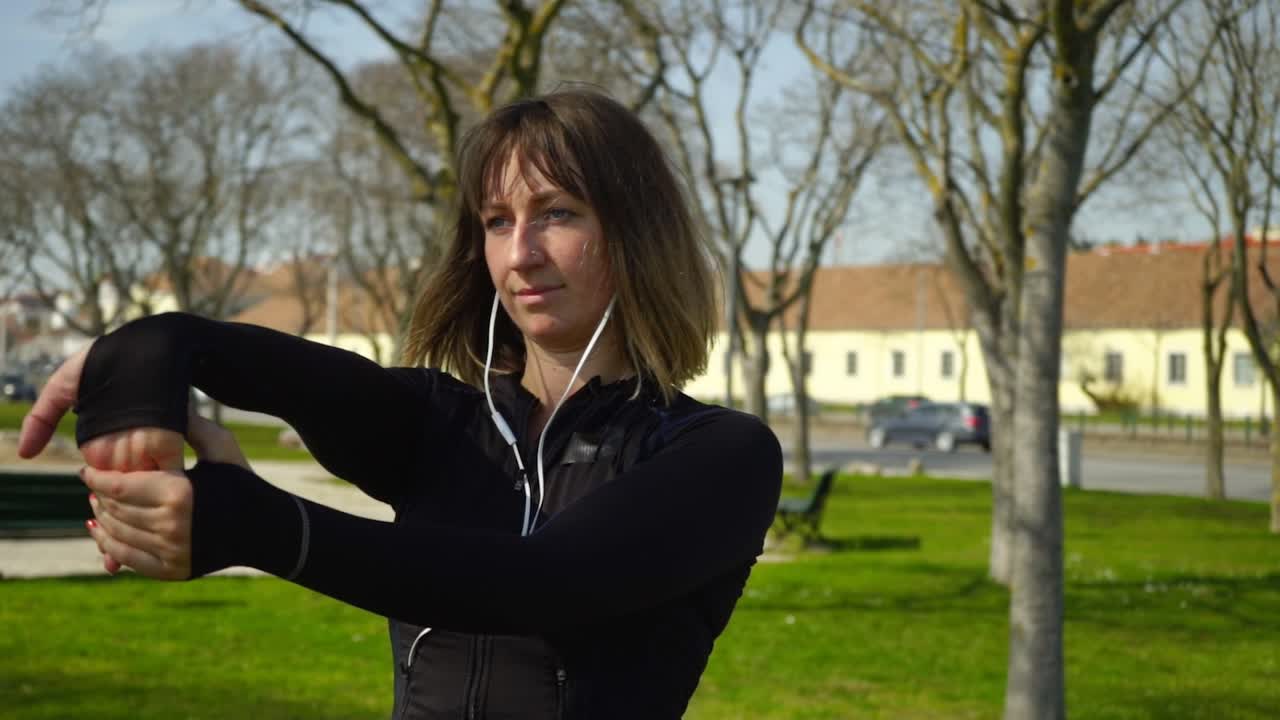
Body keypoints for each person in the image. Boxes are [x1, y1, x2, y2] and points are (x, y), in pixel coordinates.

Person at [19, 88, 782, 720]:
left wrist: (260, 524)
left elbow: (544, 583)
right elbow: (269, 365)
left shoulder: (720, 454)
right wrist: (149, 352)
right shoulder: (439, 424)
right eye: (496, 222)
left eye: (557, 212)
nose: (520, 254)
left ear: (637, 232)